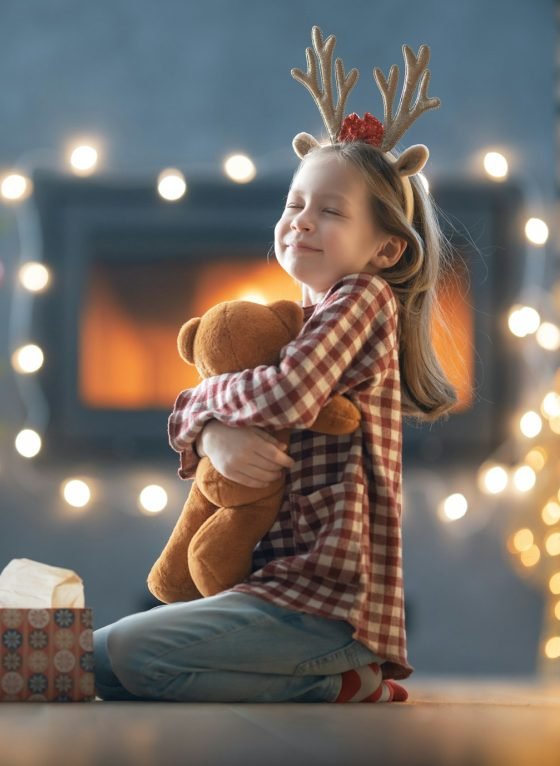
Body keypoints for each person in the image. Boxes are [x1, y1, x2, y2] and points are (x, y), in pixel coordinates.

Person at [94, 26, 458, 703]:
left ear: (386, 250)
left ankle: (340, 680)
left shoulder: (363, 298)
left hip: (328, 606)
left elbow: (289, 395)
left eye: (331, 211)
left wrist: (201, 410)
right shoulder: (300, 319)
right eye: (295, 204)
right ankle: (331, 680)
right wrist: (212, 433)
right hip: (275, 591)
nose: (302, 221)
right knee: (101, 657)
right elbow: (263, 396)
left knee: (126, 656)